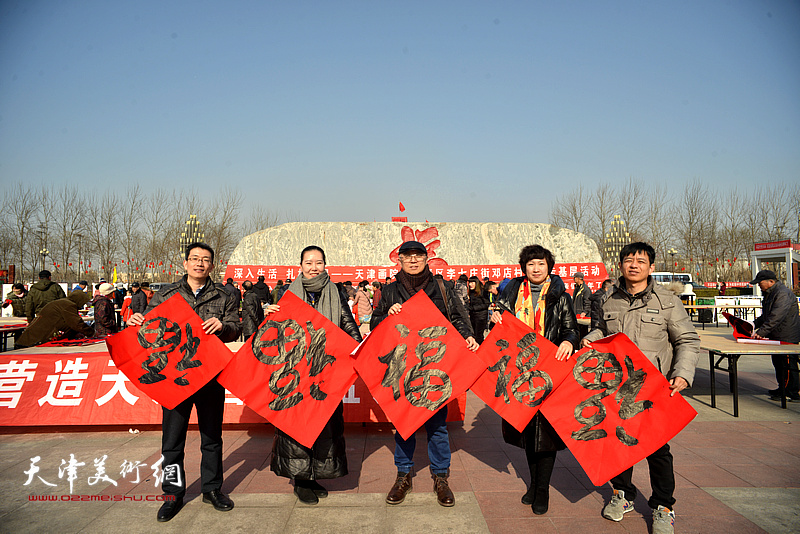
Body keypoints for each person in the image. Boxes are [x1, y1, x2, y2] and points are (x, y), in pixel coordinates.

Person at [581, 242, 700, 534]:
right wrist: (592, 338)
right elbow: (605, 331)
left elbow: (687, 339)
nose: (634, 265)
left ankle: (663, 506)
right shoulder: (609, 300)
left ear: (651, 267)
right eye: (628, 260)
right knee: (619, 444)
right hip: (618, 389)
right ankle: (623, 494)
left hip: (654, 390)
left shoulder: (667, 301)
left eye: (640, 261)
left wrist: (682, 374)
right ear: (620, 265)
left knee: (658, 450)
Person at [127, 242, 240, 522]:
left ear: (212, 265)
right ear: (185, 263)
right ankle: (172, 495)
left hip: (210, 376)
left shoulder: (224, 295)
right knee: (172, 440)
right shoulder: (167, 293)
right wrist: (138, 322)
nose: (199, 263)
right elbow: (150, 328)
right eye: (194, 259)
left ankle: (212, 489)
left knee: (211, 438)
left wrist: (223, 327)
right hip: (174, 378)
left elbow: (236, 328)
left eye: (205, 260)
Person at [371, 240, 478, 508]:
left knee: (438, 426)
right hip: (404, 368)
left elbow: (458, 317)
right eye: (408, 256)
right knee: (404, 425)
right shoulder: (390, 290)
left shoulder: (442, 287)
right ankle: (403, 475)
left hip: (435, 366)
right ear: (400, 260)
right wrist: (388, 315)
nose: (414, 260)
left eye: (419, 255)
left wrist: (468, 336)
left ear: (427, 258)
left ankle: (441, 477)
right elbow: (375, 325)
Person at [267, 246, 362, 505]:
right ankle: (300, 480)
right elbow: (273, 331)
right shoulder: (286, 293)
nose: (313, 267)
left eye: (318, 262)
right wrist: (268, 317)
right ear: (300, 266)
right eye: (308, 262)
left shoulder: (335, 292)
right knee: (296, 425)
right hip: (295, 373)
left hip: (324, 372)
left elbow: (347, 324)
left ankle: (314, 475)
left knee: (323, 426)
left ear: (325, 265)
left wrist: (356, 346)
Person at [490, 244, 579, 515]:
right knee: (528, 432)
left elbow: (571, 328)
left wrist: (568, 341)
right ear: (524, 267)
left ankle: (543, 490)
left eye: (541, 264)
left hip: (550, 373)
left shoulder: (560, 296)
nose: (536, 269)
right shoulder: (512, 292)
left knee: (546, 435)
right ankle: (533, 483)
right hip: (520, 372)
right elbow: (500, 325)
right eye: (531, 264)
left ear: (548, 266)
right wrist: (494, 319)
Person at [749, 270, 800, 401]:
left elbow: (776, 316)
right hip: (777, 335)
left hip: (786, 335)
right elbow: (766, 316)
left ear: (770, 282)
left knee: (788, 364)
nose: (759, 286)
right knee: (778, 363)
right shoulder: (770, 293)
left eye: (760, 283)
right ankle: (782, 388)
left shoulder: (782, 294)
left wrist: (761, 332)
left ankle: (791, 392)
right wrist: (752, 324)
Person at [16, 291, 94, 348]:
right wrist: (92, 333)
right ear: (79, 300)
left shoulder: (63, 303)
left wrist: (75, 333)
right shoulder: (68, 305)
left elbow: (67, 323)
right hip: (34, 340)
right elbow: (76, 323)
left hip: (34, 339)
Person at [467, 276, 490, 344]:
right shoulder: (471, 292)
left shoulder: (482, 291)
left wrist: (474, 308)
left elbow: (486, 304)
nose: (470, 284)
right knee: (473, 335)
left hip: (481, 317)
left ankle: (481, 350)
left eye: (472, 282)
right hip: (473, 316)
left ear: (476, 283)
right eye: (469, 282)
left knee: (479, 336)